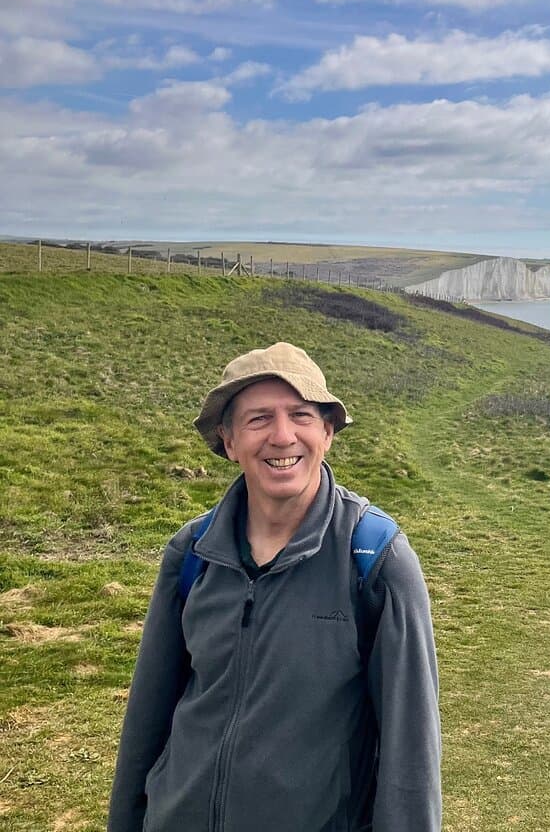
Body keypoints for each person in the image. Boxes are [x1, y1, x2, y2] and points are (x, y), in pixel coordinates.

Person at [108, 342, 441, 832]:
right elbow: (146, 722)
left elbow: (411, 753)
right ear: (229, 440)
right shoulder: (192, 553)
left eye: (301, 415)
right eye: (259, 419)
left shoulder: (375, 559)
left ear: (327, 431)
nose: (283, 437)